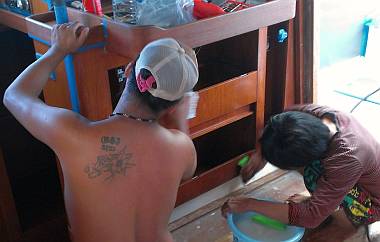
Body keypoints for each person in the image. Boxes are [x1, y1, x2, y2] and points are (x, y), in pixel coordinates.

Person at [3, 22, 199, 242]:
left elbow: (14, 96)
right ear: (174, 106)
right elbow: (187, 170)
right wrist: (181, 121)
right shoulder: (182, 148)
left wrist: (58, 49)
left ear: (127, 70)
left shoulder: (75, 136)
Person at [222, 104, 380, 241]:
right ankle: (325, 202)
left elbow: (311, 218)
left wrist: (250, 204)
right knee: (318, 176)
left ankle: (346, 224)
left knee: (314, 175)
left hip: (373, 202)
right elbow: (276, 123)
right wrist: (260, 155)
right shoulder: (312, 116)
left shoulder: (345, 159)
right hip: (351, 175)